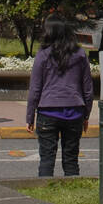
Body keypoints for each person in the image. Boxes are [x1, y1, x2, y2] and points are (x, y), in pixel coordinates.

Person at [26, 15, 95, 177]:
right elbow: (88, 89)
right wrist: (86, 115)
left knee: (46, 160)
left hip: (48, 111)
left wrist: (30, 117)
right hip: (74, 111)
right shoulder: (79, 54)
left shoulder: (43, 55)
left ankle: (44, 193)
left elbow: (35, 89)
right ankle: (72, 192)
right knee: (71, 160)